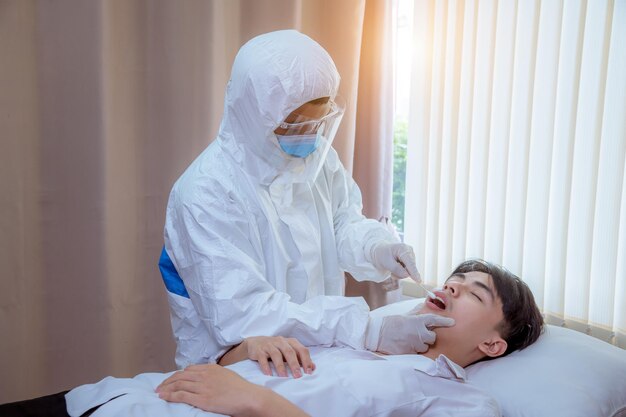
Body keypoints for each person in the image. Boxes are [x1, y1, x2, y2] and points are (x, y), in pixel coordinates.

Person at [158, 29, 448, 369]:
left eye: (318, 122)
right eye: (295, 125)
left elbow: (341, 221)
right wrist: (364, 328)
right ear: (253, 114)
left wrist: (377, 247)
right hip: (238, 368)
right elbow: (246, 316)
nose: (310, 137)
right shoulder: (206, 193)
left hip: (320, 356)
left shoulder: (318, 158)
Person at [66, 259, 544, 417]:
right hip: (122, 398)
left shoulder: (465, 402)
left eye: (474, 292)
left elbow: (245, 392)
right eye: (454, 278)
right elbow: (226, 371)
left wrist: (258, 402)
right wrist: (248, 348)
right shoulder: (357, 334)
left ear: (493, 344)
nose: (452, 285)